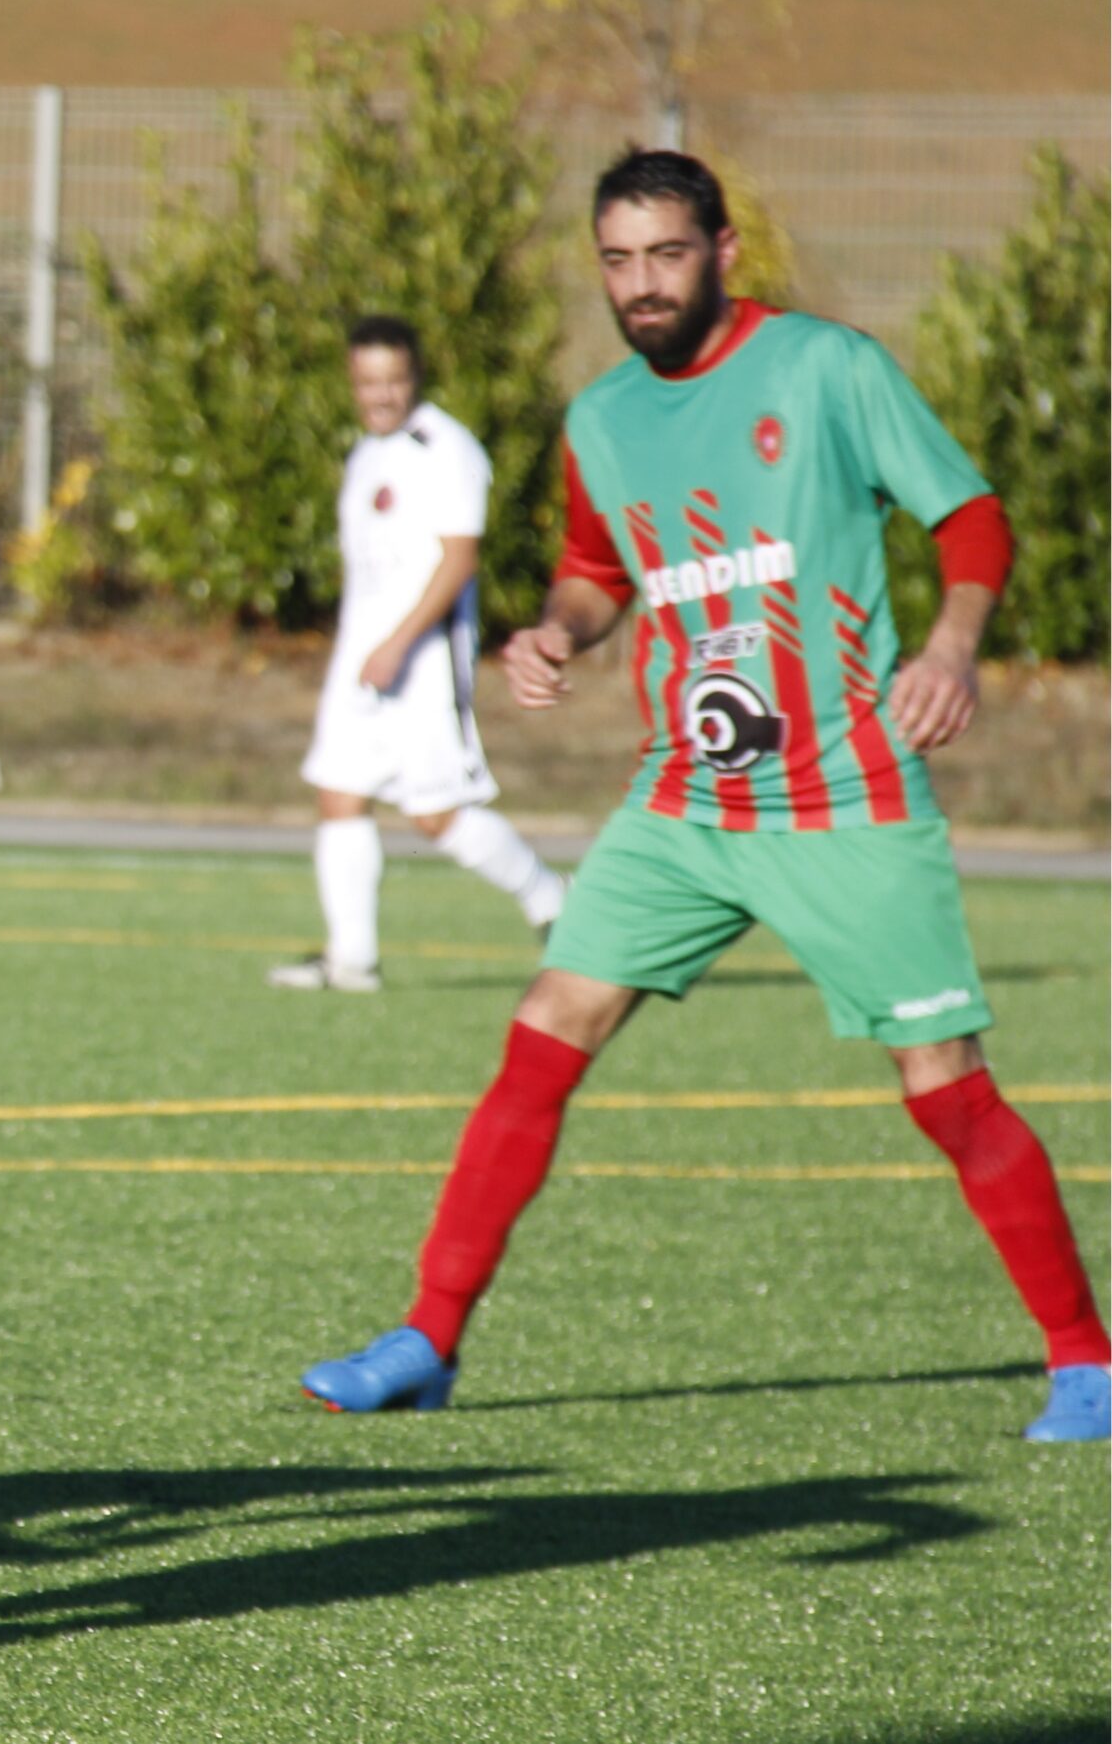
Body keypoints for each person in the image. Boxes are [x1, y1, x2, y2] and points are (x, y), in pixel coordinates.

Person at [300, 150, 1109, 1443]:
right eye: (617, 261)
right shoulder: (604, 418)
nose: (642, 284)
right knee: (543, 1032)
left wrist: (952, 646)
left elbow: (971, 519)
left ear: (726, 248)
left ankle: (1085, 1357)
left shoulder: (826, 368)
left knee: (944, 1080)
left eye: (666, 254)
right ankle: (430, 1335)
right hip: (685, 800)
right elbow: (593, 565)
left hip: (843, 792)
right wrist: (559, 630)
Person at [269, 316, 566, 993]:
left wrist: (398, 644)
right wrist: (361, 649)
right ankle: (352, 961)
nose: (381, 395)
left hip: (420, 665)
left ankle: (553, 900)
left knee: (437, 817)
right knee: (338, 794)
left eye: (394, 380)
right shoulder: (367, 453)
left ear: (415, 377)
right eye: (368, 382)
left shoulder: (446, 449)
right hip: (362, 663)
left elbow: (459, 560)